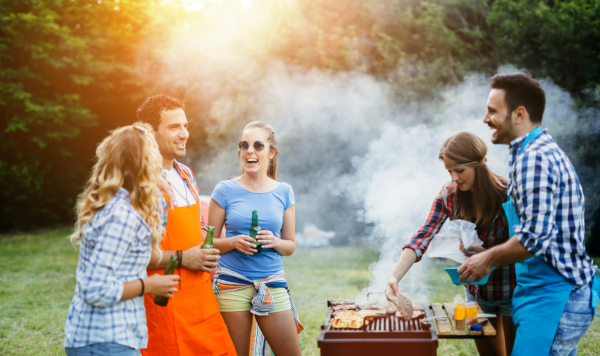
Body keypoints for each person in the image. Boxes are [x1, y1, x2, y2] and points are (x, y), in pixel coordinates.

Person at [459, 73, 599, 356]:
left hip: (555, 296)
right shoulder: (529, 152)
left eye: (492, 111)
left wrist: (488, 258)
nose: (485, 118)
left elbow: (534, 237)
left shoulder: (534, 158)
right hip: (544, 295)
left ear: (519, 114)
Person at [386, 131, 516, 356]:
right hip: (475, 297)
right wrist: (393, 277)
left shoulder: (509, 193)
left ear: (480, 163)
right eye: (449, 170)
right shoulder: (449, 194)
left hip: (512, 292)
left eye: (459, 170)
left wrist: (489, 254)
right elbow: (423, 235)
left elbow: (526, 244)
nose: (454, 177)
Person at [64, 123, 180, 356]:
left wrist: (160, 193)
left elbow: (146, 241)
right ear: (146, 163)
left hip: (101, 338)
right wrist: (148, 285)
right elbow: (94, 289)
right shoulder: (121, 216)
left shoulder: (117, 203)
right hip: (105, 341)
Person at [137, 95, 236, 356]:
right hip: (162, 306)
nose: (184, 134)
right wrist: (184, 258)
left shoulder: (187, 175)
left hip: (201, 301)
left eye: (185, 126)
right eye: (173, 127)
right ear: (150, 131)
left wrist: (234, 243)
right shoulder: (140, 183)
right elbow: (131, 254)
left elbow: (199, 233)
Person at [208, 121, 303, 356]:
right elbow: (206, 242)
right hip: (231, 283)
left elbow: (290, 246)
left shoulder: (284, 191)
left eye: (258, 145)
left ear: (271, 153)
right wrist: (233, 242)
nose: (250, 150)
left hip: (271, 283)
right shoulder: (225, 190)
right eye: (244, 145)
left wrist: (275, 242)